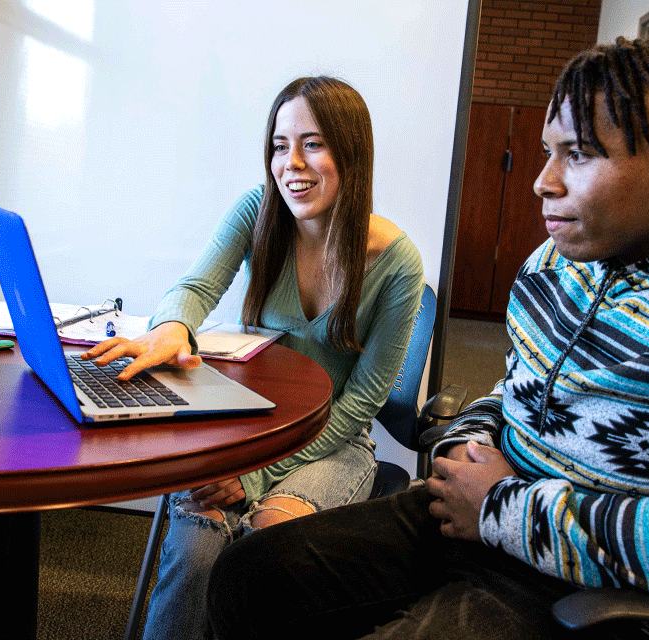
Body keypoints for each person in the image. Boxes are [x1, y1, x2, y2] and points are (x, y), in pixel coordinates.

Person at [204, 38, 649, 640]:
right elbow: (521, 391)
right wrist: (474, 434)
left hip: (600, 585)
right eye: (549, 151)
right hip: (486, 522)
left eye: (576, 154)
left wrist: (501, 506)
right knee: (249, 575)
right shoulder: (562, 261)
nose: (542, 181)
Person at [83, 76, 424, 640]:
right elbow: (193, 289)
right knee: (196, 554)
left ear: (353, 153)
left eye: (312, 144)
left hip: (331, 441)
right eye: (278, 145)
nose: (291, 163)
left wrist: (259, 475)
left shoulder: (397, 262)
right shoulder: (257, 211)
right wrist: (171, 328)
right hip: (240, 425)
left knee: (266, 555)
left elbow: (363, 400)